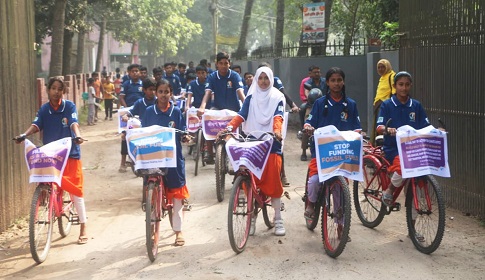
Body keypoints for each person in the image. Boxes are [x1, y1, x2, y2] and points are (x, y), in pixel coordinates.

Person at [15, 77, 88, 244]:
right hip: (52, 156)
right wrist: (24, 135)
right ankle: (50, 202)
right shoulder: (44, 109)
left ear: (63, 91)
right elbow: (36, 125)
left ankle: (83, 226)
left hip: (70, 153)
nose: (56, 91)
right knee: (47, 183)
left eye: (59, 89)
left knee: (76, 191)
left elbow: (73, 123)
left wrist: (77, 135)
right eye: (53, 88)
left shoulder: (69, 106)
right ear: (48, 90)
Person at [219, 66, 286, 236]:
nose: (263, 81)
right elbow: (242, 115)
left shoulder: (278, 96)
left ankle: (278, 218)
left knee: (273, 179)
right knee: (249, 177)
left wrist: (277, 131)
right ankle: (252, 217)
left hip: (271, 141)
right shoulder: (251, 95)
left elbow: (278, 116)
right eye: (260, 78)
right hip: (252, 140)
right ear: (256, 79)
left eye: (266, 78)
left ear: (271, 79)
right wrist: (229, 127)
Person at [303, 67, 361, 219]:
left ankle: (341, 224)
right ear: (327, 83)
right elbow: (310, 121)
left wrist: (359, 133)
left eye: (339, 80)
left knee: (341, 189)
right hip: (322, 153)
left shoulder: (351, 104)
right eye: (333, 80)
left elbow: (357, 127)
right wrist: (308, 127)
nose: (336, 84)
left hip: (343, 153)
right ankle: (311, 203)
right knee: (315, 181)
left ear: (343, 82)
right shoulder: (319, 103)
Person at [142, 79, 190, 246]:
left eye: (166, 92)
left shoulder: (176, 112)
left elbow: (183, 131)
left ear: (171, 94)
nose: (163, 95)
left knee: (177, 195)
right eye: (160, 91)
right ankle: (153, 225)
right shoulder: (149, 111)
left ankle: (178, 231)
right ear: (156, 93)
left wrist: (185, 136)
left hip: (173, 159)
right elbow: (143, 133)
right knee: (150, 189)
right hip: (153, 157)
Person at [376, 71, 430, 206]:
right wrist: (387, 129)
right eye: (400, 84)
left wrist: (437, 131)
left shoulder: (416, 105)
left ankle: (412, 219)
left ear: (411, 85)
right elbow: (379, 127)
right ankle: (389, 190)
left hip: (413, 147)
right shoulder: (387, 104)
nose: (404, 88)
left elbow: (426, 125)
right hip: (393, 148)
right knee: (404, 164)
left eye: (407, 84)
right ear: (395, 86)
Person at [197, 52, 245, 164]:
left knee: (242, 131)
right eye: (221, 63)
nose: (223, 66)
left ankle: (241, 154)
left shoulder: (234, 76)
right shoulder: (212, 77)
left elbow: (240, 93)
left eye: (226, 63)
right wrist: (202, 107)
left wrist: (247, 106)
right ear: (216, 64)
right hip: (217, 108)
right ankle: (209, 152)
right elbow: (207, 93)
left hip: (233, 109)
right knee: (207, 121)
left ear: (229, 64)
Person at [119, 63, 144, 173]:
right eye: (133, 71)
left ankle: (142, 160)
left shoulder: (143, 84)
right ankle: (123, 162)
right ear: (129, 73)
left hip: (141, 111)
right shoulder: (126, 84)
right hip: (128, 112)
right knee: (125, 136)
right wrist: (126, 108)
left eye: (137, 71)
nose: (135, 73)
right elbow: (121, 97)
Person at [300, 65, 329, 161]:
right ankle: (304, 151)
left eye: (318, 72)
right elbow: (306, 92)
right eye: (315, 72)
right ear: (311, 74)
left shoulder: (325, 81)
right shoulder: (308, 82)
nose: (317, 74)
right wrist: (310, 97)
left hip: (324, 105)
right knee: (307, 128)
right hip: (311, 106)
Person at [372, 59, 396, 143]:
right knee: (378, 128)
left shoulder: (391, 76)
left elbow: (394, 92)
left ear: (387, 67)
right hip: (378, 106)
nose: (380, 69)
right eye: (379, 67)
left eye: (383, 67)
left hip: (386, 106)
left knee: (385, 127)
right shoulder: (382, 78)